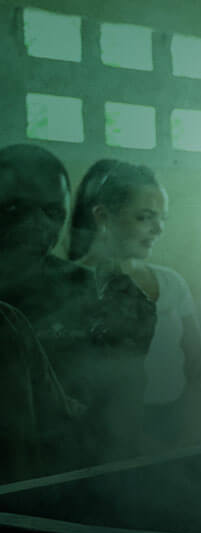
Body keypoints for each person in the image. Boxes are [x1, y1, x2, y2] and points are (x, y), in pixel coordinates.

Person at [0, 144, 152, 474]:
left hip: (76, 478)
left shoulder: (91, 291)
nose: (37, 225)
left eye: (53, 213)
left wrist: (132, 350)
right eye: (15, 208)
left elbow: (120, 420)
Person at [69, 159, 201, 454]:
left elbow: (198, 367)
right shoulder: (69, 285)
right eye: (145, 217)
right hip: (97, 436)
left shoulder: (172, 283)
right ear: (103, 216)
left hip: (170, 428)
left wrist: (192, 427)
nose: (158, 229)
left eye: (162, 219)